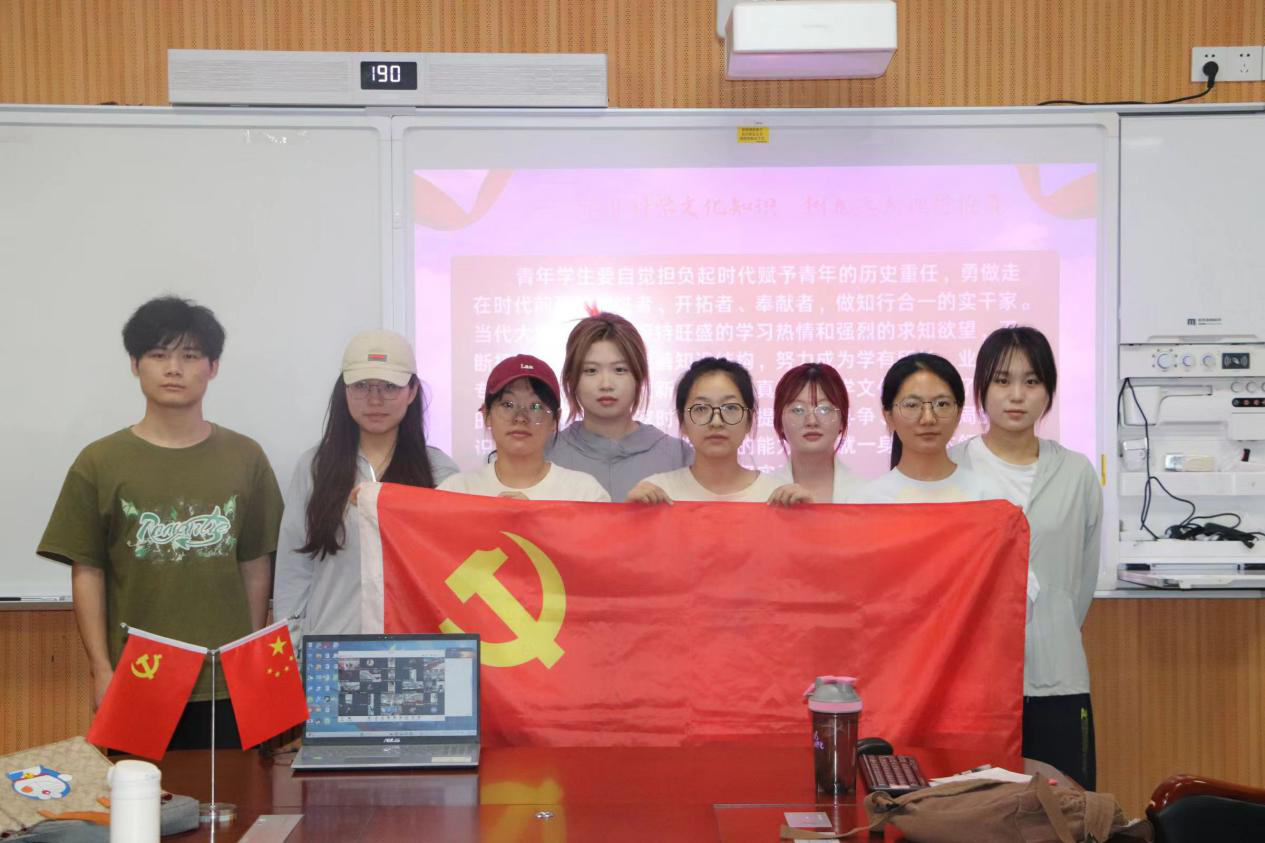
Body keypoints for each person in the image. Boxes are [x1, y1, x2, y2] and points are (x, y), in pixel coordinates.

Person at [37, 296, 284, 749]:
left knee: (236, 791)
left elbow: (255, 565)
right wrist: (101, 669)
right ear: (135, 365)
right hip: (138, 676)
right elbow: (87, 571)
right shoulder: (99, 461)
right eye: (158, 355)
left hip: (225, 680)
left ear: (213, 367)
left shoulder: (245, 457)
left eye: (190, 356)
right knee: (138, 794)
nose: (174, 369)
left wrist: (244, 658)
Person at [949, 326, 1102, 790]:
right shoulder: (951, 467)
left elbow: (1082, 580)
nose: (1016, 395)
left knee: (1066, 809)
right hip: (970, 681)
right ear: (981, 389)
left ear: (1048, 391)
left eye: (1031, 381)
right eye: (1002, 380)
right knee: (975, 811)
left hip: (1057, 676)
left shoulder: (1075, 472)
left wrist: (1052, 624)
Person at [274, 329, 460, 639]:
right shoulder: (315, 468)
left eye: (390, 386)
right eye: (361, 386)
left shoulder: (440, 472)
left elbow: (452, 573)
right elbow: (295, 570)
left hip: (414, 650)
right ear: (344, 391)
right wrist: (293, 646)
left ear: (412, 391)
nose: (375, 399)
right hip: (330, 650)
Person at [548, 312, 691, 501]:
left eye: (620, 370)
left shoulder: (678, 456)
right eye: (591, 370)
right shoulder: (546, 454)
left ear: (639, 377)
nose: (606, 384)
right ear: (571, 379)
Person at [439, 355, 610, 501]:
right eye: (508, 405)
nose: (520, 418)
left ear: (555, 420)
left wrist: (533, 521)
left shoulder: (585, 494)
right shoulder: (456, 492)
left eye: (535, 406)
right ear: (486, 415)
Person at [628, 357, 786, 503]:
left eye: (730, 408)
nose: (716, 422)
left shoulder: (776, 495)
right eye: (701, 408)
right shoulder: (658, 492)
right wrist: (633, 514)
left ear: (749, 421)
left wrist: (799, 512)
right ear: (682, 422)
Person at [850, 352, 1001, 504]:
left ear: (959, 413)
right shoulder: (866, 502)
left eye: (942, 404)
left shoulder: (989, 497)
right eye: (912, 405)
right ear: (888, 416)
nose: (928, 419)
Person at [766, 362, 865, 504]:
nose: (812, 421)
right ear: (779, 422)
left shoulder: (868, 495)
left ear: (842, 421)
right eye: (798, 410)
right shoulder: (762, 493)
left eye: (824, 409)